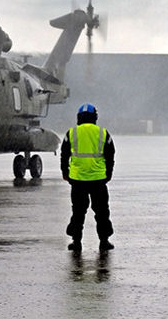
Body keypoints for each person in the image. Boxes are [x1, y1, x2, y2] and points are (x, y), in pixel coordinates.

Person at [61, 103, 115, 251]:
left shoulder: (71, 133)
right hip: (98, 179)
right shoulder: (103, 133)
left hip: (77, 180)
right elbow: (110, 155)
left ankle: (76, 242)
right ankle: (104, 241)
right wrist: (108, 174)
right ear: (94, 117)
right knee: (102, 212)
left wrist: (65, 173)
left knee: (78, 212)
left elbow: (64, 154)